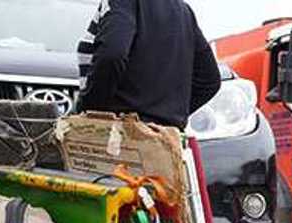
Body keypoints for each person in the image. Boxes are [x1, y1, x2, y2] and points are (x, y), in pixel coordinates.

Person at [75, 0, 221, 129]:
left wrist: (92, 110)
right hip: (166, 142)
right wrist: (167, 114)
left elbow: (112, 54)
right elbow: (209, 79)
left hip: (120, 137)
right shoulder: (183, 10)